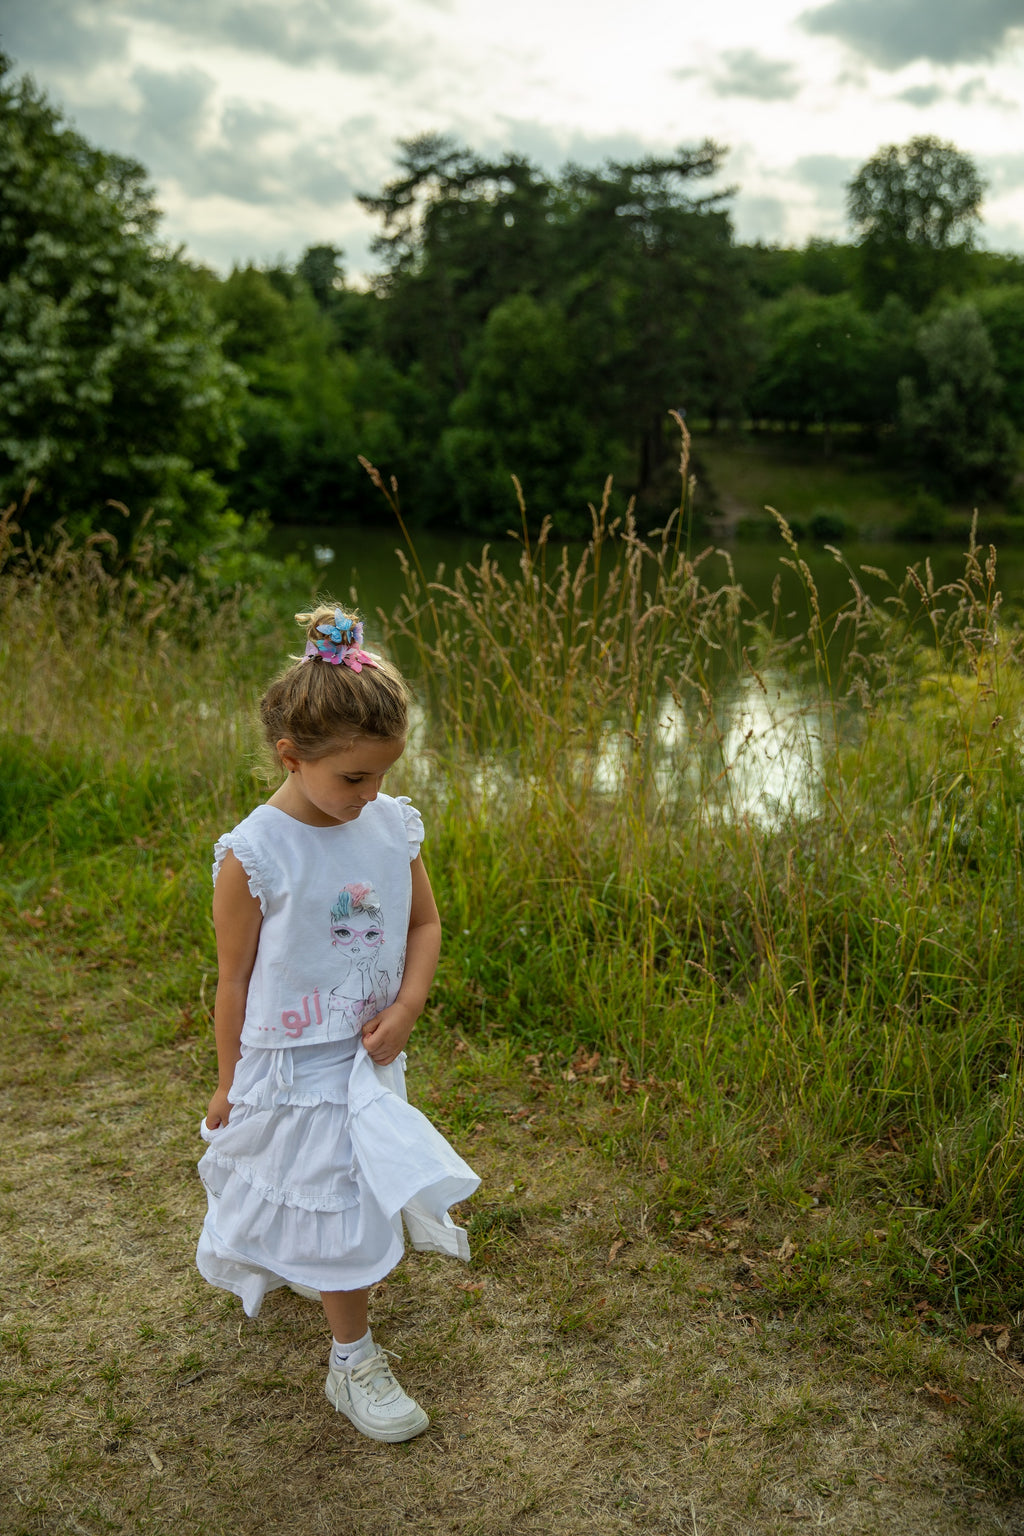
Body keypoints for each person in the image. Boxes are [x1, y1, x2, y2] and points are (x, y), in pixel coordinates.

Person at [196, 604, 479, 1443]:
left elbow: (422, 925)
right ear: (292, 756)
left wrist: (408, 1004)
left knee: (344, 1195)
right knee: (333, 1201)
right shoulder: (256, 853)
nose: (371, 795)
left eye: (383, 775)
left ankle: (329, 1304)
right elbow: (235, 981)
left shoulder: (391, 826)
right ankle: (352, 1359)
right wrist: (227, 1083)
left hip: (366, 1052)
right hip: (291, 1064)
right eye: (353, 779)